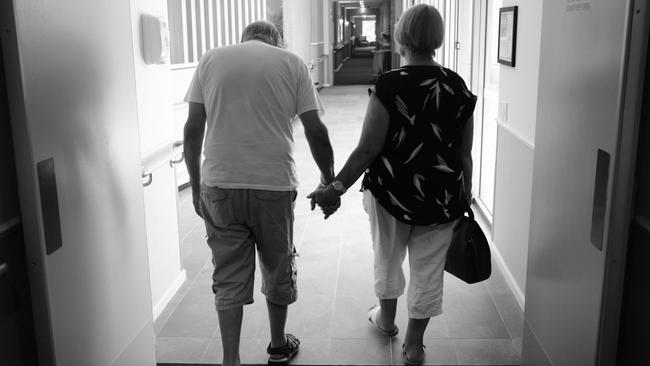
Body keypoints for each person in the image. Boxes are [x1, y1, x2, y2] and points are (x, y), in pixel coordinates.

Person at [308, 4, 476, 366]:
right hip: (443, 196)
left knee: (388, 257)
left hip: (391, 194)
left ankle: (386, 321)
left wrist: (335, 188)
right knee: (429, 267)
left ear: (402, 36)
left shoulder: (390, 84)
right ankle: (414, 347)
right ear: (437, 38)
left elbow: (368, 148)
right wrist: (468, 191)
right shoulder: (457, 85)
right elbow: (464, 153)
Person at [183, 21, 338, 366]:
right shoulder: (291, 62)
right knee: (277, 263)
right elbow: (315, 129)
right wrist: (329, 180)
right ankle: (278, 345)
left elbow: (193, 129)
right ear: (276, 40)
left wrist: (195, 188)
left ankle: (230, 360)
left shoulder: (211, 59)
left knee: (228, 275)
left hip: (220, 186)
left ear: (244, 39)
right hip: (273, 185)